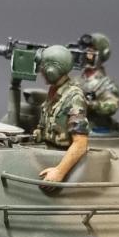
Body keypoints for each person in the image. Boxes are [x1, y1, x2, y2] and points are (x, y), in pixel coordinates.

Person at [34, 44, 90, 183]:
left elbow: (80, 143)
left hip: (59, 158)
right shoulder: (54, 91)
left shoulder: (74, 97)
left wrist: (59, 172)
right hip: (45, 151)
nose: (41, 72)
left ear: (52, 70)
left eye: (43, 68)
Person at [78, 32, 119, 133]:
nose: (87, 54)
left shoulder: (106, 84)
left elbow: (112, 105)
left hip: (95, 129)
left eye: (91, 51)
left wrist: (92, 104)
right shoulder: (77, 81)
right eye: (85, 50)